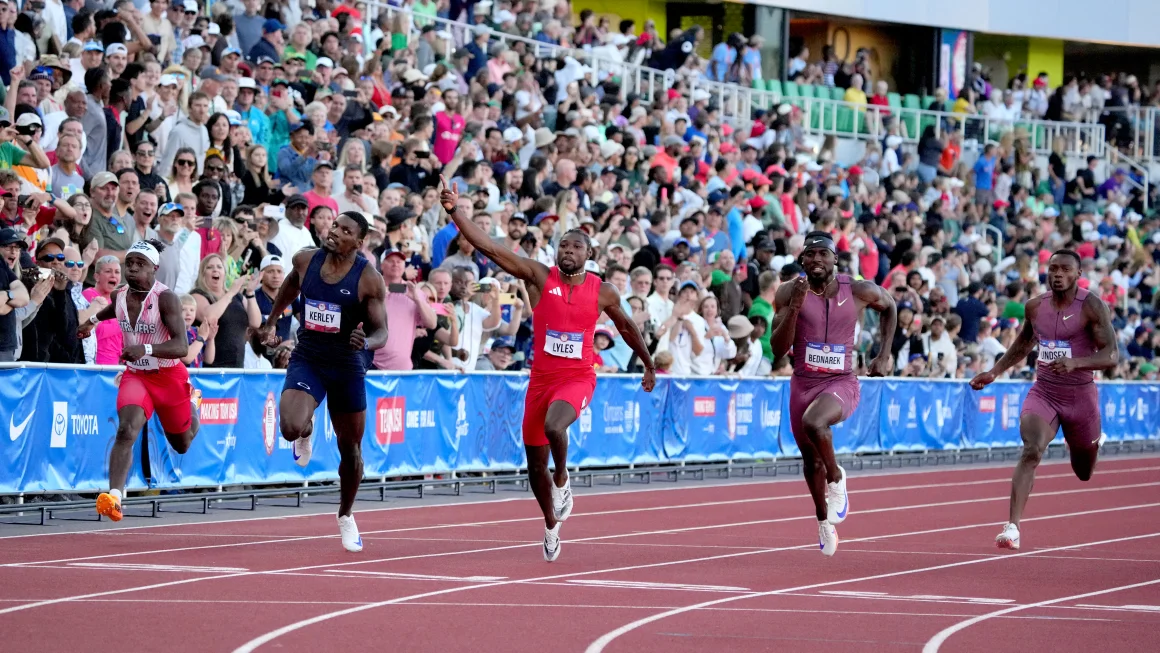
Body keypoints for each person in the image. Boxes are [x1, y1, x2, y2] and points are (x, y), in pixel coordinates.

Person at [439, 175, 656, 562]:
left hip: (578, 377)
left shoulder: (602, 289)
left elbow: (625, 325)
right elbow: (489, 246)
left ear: (589, 255)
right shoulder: (540, 277)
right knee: (533, 466)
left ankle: (564, 478)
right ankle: (551, 523)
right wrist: (455, 211)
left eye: (576, 246)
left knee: (557, 426)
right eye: (564, 245)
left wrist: (648, 364)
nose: (568, 250)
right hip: (540, 380)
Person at [257, 211, 388, 553]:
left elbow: (382, 331)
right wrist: (272, 322)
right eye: (335, 226)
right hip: (310, 356)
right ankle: (306, 427)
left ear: (358, 243)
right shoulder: (305, 260)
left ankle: (345, 515)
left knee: (351, 450)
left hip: (347, 362)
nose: (335, 233)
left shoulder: (369, 279)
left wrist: (367, 342)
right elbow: (289, 287)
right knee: (289, 427)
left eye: (345, 231)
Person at [969, 249, 1117, 550]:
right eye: (1053, 269)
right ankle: (1013, 527)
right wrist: (995, 371)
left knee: (1084, 472)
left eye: (1065, 270)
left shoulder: (1091, 306)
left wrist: (1077, 363)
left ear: (1077, 275)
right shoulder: (1035, 306)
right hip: (1045, 392)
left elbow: (1112, 355)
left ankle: (1094, 441)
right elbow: (1024, 342)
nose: (1058, 274)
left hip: (1080, 396)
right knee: (1031, 450)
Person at [769, 231, 897, 557]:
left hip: (841, 381)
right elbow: (778, 349)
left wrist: (884, 353)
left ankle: (837, 478)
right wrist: (795, 307)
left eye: (823, 254)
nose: (816, 260)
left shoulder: (857, 289)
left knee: (815, 422)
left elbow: (891, 306)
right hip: (802, 382)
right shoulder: (788, 292)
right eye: (810, 255)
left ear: (835, 259)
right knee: (810, 460)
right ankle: (823, 520)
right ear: (802, 261)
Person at [77, 241, 201, 522]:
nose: (132, 268)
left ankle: (194, 402)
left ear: (154, 268)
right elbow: (113, 309)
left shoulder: (165, 298)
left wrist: (144, 349)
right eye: (129, 263)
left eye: (139, 264)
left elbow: (181, 347)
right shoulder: (121, 294)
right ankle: (115, 497)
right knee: (126, 430)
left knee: (182, 443)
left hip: (169, 375)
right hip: (137, 375)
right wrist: (91, 321)